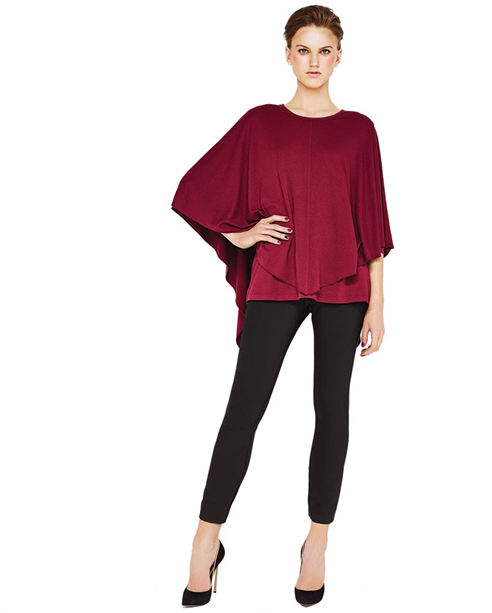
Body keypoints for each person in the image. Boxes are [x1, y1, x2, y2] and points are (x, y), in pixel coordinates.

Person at [171, 5, 394, 607]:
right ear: (288, 54)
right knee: (244, 410)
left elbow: (372, 223)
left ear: (339, 57)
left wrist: (377, 304)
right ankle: (205, 539)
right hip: (275, 276)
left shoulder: (360, 131)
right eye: (304, 49)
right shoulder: (260, 123)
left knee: (332, 414)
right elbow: (194, 189)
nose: (314, 61)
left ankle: (316, 542)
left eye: (325, 50)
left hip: (345, 284)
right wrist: (241, 235)